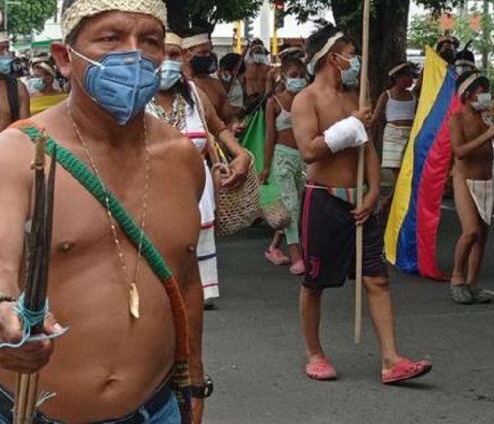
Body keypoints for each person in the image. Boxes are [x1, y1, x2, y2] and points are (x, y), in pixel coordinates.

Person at [0, 0, 206, 424]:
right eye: (110, 38)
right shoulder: (16, 154)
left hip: (156, 410)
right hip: (27, 412)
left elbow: (185, 281)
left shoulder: (181, 158)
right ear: (65, 57)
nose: (134, 54)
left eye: (150, 41)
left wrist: (193, 382)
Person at [291, 25, 431, 384]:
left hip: (360, 203)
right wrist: (346, 127)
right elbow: (309, 150)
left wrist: (373, 189)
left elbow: (366, 146)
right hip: (323, 201)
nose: (354, 61)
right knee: (314, 281)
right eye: (349, 53)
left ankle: (390, 360)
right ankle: (315, 353)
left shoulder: (355, 99)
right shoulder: (305, 99)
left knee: (377, 279)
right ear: (330, 57)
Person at [149, 32, 251, 307]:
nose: (166, 61)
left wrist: (240, 154)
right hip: (152, 191)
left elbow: (217, 127)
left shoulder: (194, 94)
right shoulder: (136, 98)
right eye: (160, 54)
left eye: (173, 55)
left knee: (195, 251)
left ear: (184, 58)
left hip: (197, 189)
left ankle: (197, 293)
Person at [449, 73, 494, 305]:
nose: (486, 97)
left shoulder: (487, 119)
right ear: (467, 95)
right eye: (482, 92)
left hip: (486, 180)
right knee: (471, 231)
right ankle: (457, 278)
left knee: (482, 235)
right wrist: (486, 134)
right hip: (464, 180)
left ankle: (473, 283)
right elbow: (460, 151)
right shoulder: (457, 119)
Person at [259, 54, 309, 274]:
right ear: (284, 77)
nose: (298, 79)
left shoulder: (306, 99)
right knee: (291, 205)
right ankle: (297, 256)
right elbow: (270, 136)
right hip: (282, 156)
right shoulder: (274, 102)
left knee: (296, 204)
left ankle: (273, 247)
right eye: (293, 75)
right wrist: (266, 166)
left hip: (303, 157)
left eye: (301, 75)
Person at [371, 62, 417, 176]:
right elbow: (375, 118)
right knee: (396, 168)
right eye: (406, 75)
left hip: (410, 134)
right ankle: (397, 191)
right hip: (392, 135)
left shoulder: (413, 96)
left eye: (410, 75)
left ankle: (400, 192)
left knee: (408, 166)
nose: (409, 78)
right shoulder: (386, 95)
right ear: (396, 77)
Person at [182, 33, 235, 123]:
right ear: (186, 54)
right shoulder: (174, 83)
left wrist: (234, 125)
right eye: (202, 53)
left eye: (209, 53)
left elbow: (229, 118)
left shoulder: (215, 84)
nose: (207, 56)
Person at [243, 39, 276, 113]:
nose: (259, 54)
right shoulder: (244, 69)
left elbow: (274, 86)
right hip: (249, 102)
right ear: (251, 54)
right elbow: (242, 85)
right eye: (256, 52)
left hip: (264, 101)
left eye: (260, 52)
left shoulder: (270, 70)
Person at [217, 53, 245, 117]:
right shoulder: (210, 82)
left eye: (236, 75)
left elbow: (235, 111)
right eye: (229, 71)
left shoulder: (237, 88)